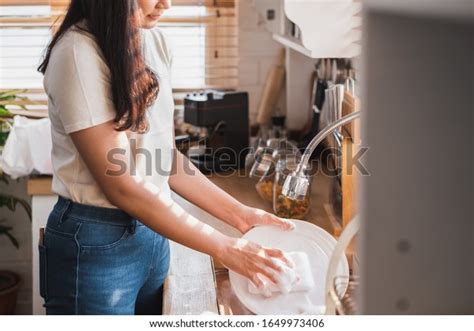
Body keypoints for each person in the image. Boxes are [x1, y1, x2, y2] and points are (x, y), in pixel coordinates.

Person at [37, 0, 294, 315]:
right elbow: (121, 185)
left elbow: (165, 158)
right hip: (95, 242)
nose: (167, 4)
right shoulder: (78, 52)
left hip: (154, 233)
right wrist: (226, 247)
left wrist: (241, 216)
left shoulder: (153, 41)